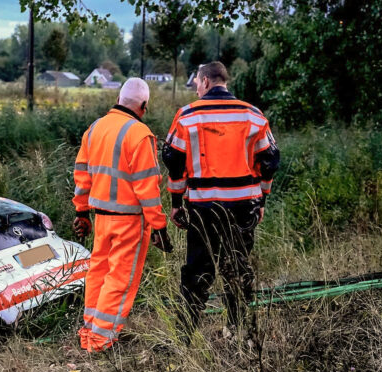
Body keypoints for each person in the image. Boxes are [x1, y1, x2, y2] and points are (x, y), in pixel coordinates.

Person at [162, 61, 280, 331]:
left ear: (205, 82)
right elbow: (270, 160)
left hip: (202, 207)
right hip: (243, 206)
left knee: (197, 270)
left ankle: (185, 334)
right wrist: (262, 199)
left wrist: (176, 204)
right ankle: (235, 330)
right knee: (237, 267)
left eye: (196, 84)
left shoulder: (187, 115)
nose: (195, 90)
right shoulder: (252, 115)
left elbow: (174, 161)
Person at [72, 77, 173, 352]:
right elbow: (148, 188)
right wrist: (159, 227)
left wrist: (81, 212)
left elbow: (82, 176)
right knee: (119, 279)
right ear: (143, 105)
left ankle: (90, 332)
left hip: (100, 219)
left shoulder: (94, 129)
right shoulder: (139, 134)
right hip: (129, 221)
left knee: (98, 273)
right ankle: (101, 341)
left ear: (119, 99)